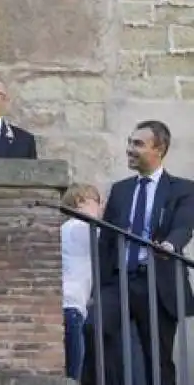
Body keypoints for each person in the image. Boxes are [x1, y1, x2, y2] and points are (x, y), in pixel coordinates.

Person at [81, 120, 194, 385]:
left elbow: (184, 226)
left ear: (160, 149)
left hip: (157, 282)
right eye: (129, 142)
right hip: (119, 280)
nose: (130, 149)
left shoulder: (183, 189)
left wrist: (170, 245)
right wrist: (96, 287)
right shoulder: (121, 189)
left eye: (138, 144)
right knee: (93, 328)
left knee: (158, 357)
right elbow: (107, 241)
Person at [60, 183, 103, 380]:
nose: (101, 208)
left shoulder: (66, 229)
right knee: (72, 375)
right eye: (97, 202)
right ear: (79, 202)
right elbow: (109, 241)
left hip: (71, 306)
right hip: (71, 308)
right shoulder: (79, 227)